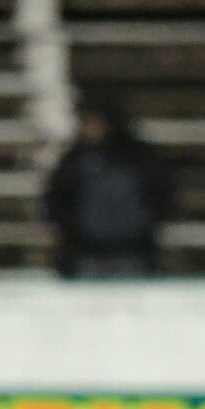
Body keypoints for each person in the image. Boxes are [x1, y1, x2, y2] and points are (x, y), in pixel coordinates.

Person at [44, 97, 174, 277]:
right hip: (86, 253)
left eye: (97, 122)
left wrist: (148, 223)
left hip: (134, 252)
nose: (92, 128)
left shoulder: (140, 158)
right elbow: (57, 200)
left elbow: (162, 195)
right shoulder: (74, 160)